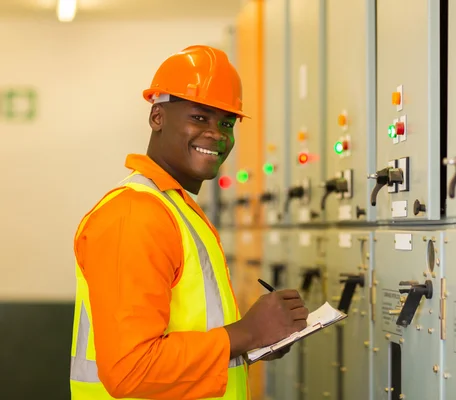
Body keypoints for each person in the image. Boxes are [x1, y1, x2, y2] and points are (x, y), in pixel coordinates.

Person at [69, 45, 309, 399]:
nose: (217, 134)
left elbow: (187, 336)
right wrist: (247, 333)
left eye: (226, 123)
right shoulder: (135, 215)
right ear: (157, 117)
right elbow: (130, 371)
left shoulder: (175, 208)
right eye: (200, 117)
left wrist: (252, 344)